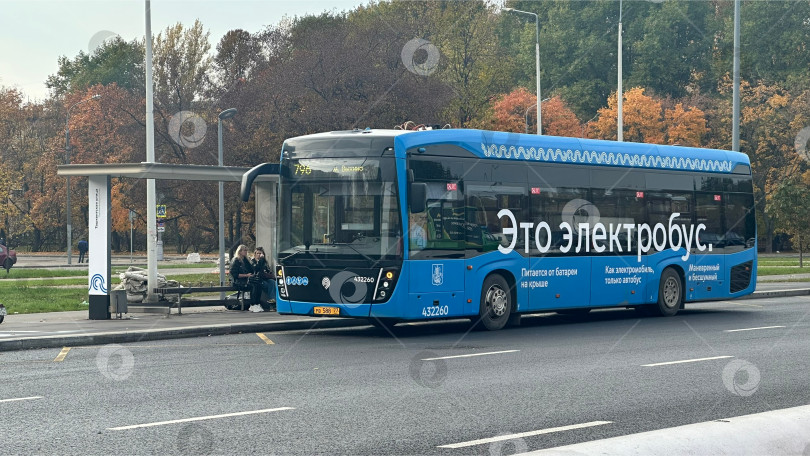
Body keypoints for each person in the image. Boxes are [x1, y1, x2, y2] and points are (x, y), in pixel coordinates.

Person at [229, 244, 259, 311]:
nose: (246, 252)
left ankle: (257, 303)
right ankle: (253, 304)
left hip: (247, 280)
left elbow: (252, 270)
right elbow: (234, 274)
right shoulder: (236, 260)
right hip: (238, 282)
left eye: (246, 250)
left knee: (258, 284)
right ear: (240, 251)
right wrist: (246, 275)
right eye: (244, 250)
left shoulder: (246, 260)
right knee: (253, 286)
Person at [251, 247, 276, 311]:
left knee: (272, 282)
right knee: (269, 286)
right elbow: (256, 269)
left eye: (260, 253)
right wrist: (261, 260)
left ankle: (272, 303)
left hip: (265, 279)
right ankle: (272, 305)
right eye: (257, 253)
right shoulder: (253, 261)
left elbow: (268, 271)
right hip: (257, 280)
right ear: (255, 254)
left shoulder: (265, 262)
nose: (259, 255)